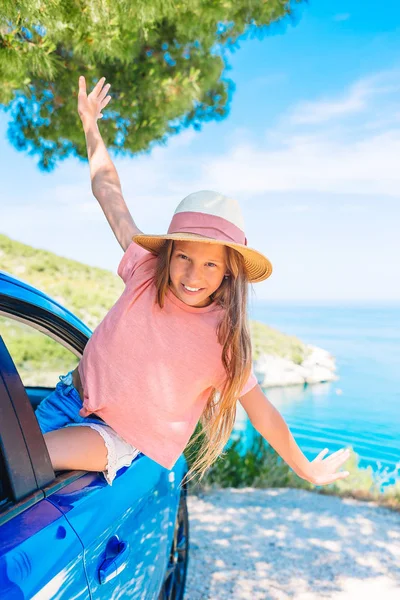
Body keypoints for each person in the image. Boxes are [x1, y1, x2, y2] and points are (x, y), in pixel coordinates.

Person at [35, 76, 351, 487]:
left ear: (227, 273)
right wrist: (90, 124)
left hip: (114, 436)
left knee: (24, 463)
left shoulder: (222, 338)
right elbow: (108, 192)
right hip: (66, 399)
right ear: (168, 254)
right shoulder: (145, 272)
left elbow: (262, 413)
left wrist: (305, 467)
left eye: (209, 266)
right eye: (183, 256)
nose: (192, 275)